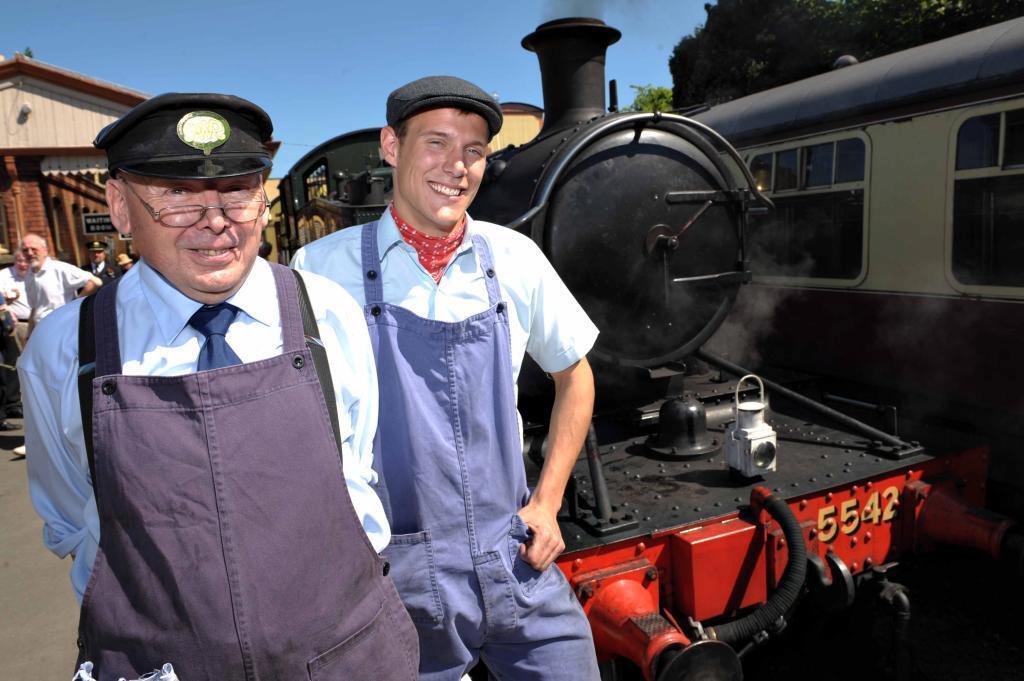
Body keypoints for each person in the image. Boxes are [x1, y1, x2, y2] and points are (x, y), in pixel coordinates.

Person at [20, 93, 418, 680]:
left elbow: (355, 470)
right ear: (120, 208)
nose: (215, 221)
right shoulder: (65, 348)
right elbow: (69, 511)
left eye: (237, 192)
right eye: (178, 196)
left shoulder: (326, 314)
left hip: (343, 653)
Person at [293, 76, 601, 680]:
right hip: (398, 575)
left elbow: (576, 375)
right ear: (391, 146)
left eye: (474, 150)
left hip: (515, 557)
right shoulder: (321, 271)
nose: (456, 167)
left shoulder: (514, 258)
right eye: (435, 143)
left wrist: (548, 502)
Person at [23, 233, 101, 337]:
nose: (29, 253)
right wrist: (29, 335)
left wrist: (74, 306)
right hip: (41, 331)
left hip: (63, 329)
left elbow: (95, 282)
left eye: (34, 249)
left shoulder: (60, 269)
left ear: (45, 250)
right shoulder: (29, 275)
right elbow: (34, 307)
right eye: (25, 250)